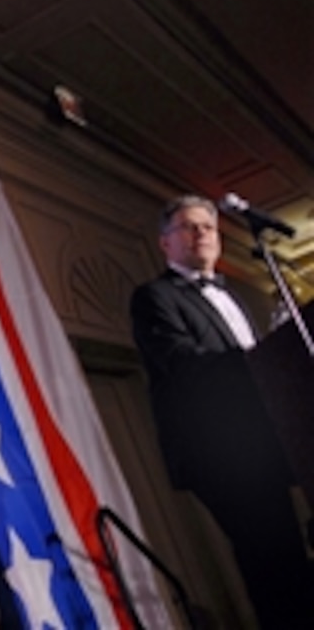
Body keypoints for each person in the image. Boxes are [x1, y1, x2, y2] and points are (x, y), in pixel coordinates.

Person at [129, 194, 313, 627]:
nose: (202, 234)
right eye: (188, 227)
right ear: (165, 243)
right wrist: (258, 360)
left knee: (289, 551)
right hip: (220, 452)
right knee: (268, 558)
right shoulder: (153, 297)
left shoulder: (233, 297)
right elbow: (181, 363)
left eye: (208, 227)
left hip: (267, 441)